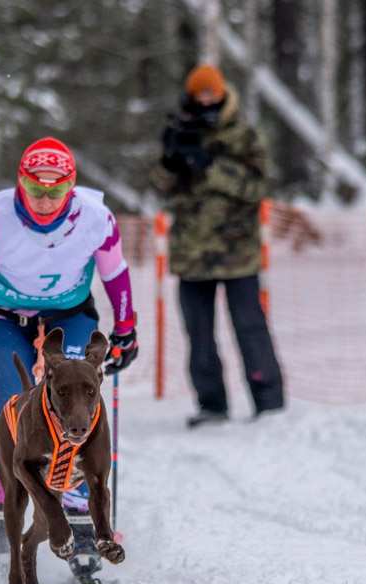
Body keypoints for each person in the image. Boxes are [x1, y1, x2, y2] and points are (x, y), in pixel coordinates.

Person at [0, 137, 138, 584]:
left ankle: (78, 520)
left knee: (73, 409)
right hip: (1, 316)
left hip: (69, 314)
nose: (46, 201)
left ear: (71, 186)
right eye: (36, 191)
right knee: (13, 407)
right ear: (20, 184)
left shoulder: (95, 217)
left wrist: (125, 327)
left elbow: (116, 273)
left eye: (57, 191)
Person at [149, 63, 284, 427]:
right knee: (200, 337)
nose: (206, 97)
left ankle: (269, 404)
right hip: (192, 257)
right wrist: (171, 159)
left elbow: (258, 188)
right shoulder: (182, 131)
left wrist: (211, 166)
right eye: (200, 91)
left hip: (237, 254)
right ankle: (212, 406)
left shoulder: (244, 137)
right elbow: (160, 187)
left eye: (212, 91)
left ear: (223, 92)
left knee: (250, 329)